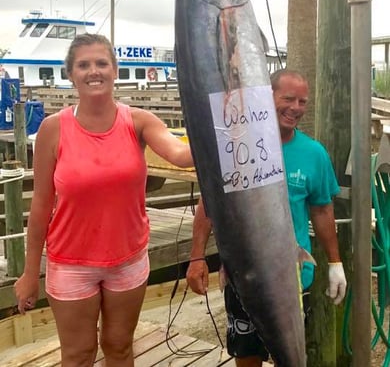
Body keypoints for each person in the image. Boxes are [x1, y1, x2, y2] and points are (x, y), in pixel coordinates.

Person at [14, 33, 193, 367]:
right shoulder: (53, 130)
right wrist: (28, 274)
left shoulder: (139, 122)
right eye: (83, 65)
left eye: (101, 63)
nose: (93, 71)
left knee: (120, 347)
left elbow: (181, 155)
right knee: (78, 354)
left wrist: (228, 128)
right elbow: (39, 206)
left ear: (115, 69)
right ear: (70, 74)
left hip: (127, 260)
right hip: (70, 263)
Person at [186, 69, 347, 367]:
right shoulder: (236, 146)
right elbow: (209, 204)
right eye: (287, 98)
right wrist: (197, 257)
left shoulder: (314, 153)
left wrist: (335, 262)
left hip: (294, 277)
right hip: (242, 273)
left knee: (291, 354)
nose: (295, 108)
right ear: (266, 96)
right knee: (247, 355)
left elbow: (322, 209)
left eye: (302, 101)